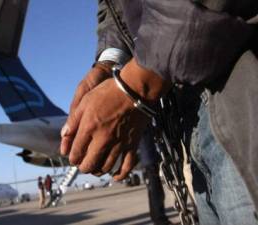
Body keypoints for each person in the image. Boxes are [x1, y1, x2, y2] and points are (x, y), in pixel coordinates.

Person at [60, 1, 258, 224]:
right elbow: (114, 7)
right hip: (185, 108)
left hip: (237, 81)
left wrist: (138, 83)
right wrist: (111, 61)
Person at [139, 129, 172, 225]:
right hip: (150, 161)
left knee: (156, 190)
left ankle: (159, 218)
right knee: (155, 190)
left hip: (150, 159)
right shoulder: (142, 121)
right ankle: (159, 219)